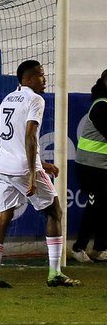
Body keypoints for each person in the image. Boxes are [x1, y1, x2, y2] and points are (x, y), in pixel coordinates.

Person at [0, 60, 81, 288]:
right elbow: (29, 136)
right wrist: (33, 172)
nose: (44, 79)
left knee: (3, 216)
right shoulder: (35, 99)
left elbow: (16, 139)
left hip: (3, 167)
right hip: (23, 169)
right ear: (27, 79)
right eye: (39, 75)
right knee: (55, 212)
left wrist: (43, 164)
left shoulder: (8, 98)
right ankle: (55, 273)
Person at [71, 69, 107, 263]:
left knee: (104, 207)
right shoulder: (100, 105)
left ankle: (100, 249)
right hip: (90, 168)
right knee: (95, 207)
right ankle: (78, 248)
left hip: (103, 166)